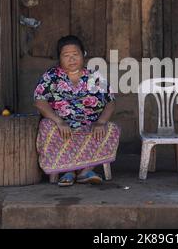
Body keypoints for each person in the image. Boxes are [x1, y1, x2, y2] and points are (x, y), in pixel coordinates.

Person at [33, 35, 120, 186]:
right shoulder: (51, 77)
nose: (71, 59)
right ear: (59, 58)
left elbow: (110, 101)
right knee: (46, 126)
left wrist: (101, 122)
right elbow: (39, 101)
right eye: (66, 56)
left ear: (83, 55)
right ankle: (68, 171)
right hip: (62, 127)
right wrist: (59, 122)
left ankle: (86, 171)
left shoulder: (93, 76)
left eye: (75, 55)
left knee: (112, 129)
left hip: (89, 126)